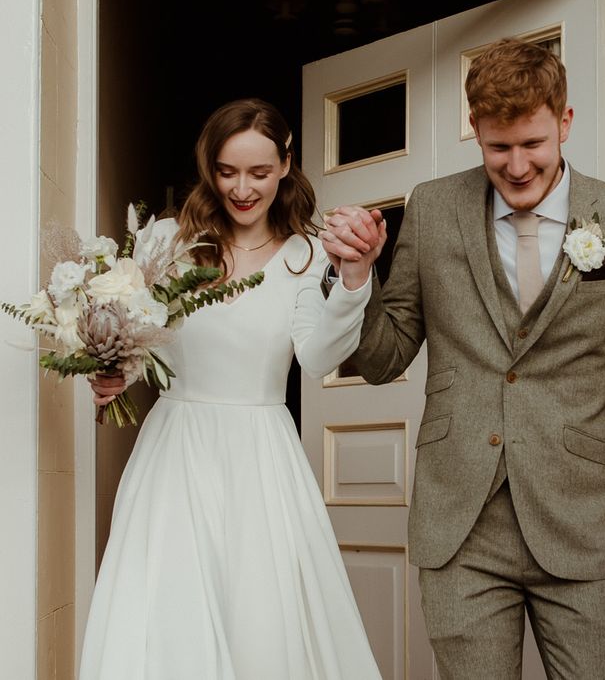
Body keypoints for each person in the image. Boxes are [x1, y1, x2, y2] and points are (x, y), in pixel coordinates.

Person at [320, 38, 605, 679]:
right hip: (460, 523)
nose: (518, 166)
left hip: (583, 522)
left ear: (565, 123)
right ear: (476, 133)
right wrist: (358, 276)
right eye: (499, 148)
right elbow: (384, 359)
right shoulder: (434, 209)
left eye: (534, 145)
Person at [80, 98, 384, 679]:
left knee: (262, 614)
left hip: (262, 452)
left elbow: (319, 356)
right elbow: (143, 341)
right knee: (169, 610)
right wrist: (114, 371)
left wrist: (354, 278)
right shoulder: (165, 240)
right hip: (176, 447)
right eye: (227, 171)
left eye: (259, 173)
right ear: (208, 167)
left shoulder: (307, 255)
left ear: (287, 165)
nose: (241, 188)